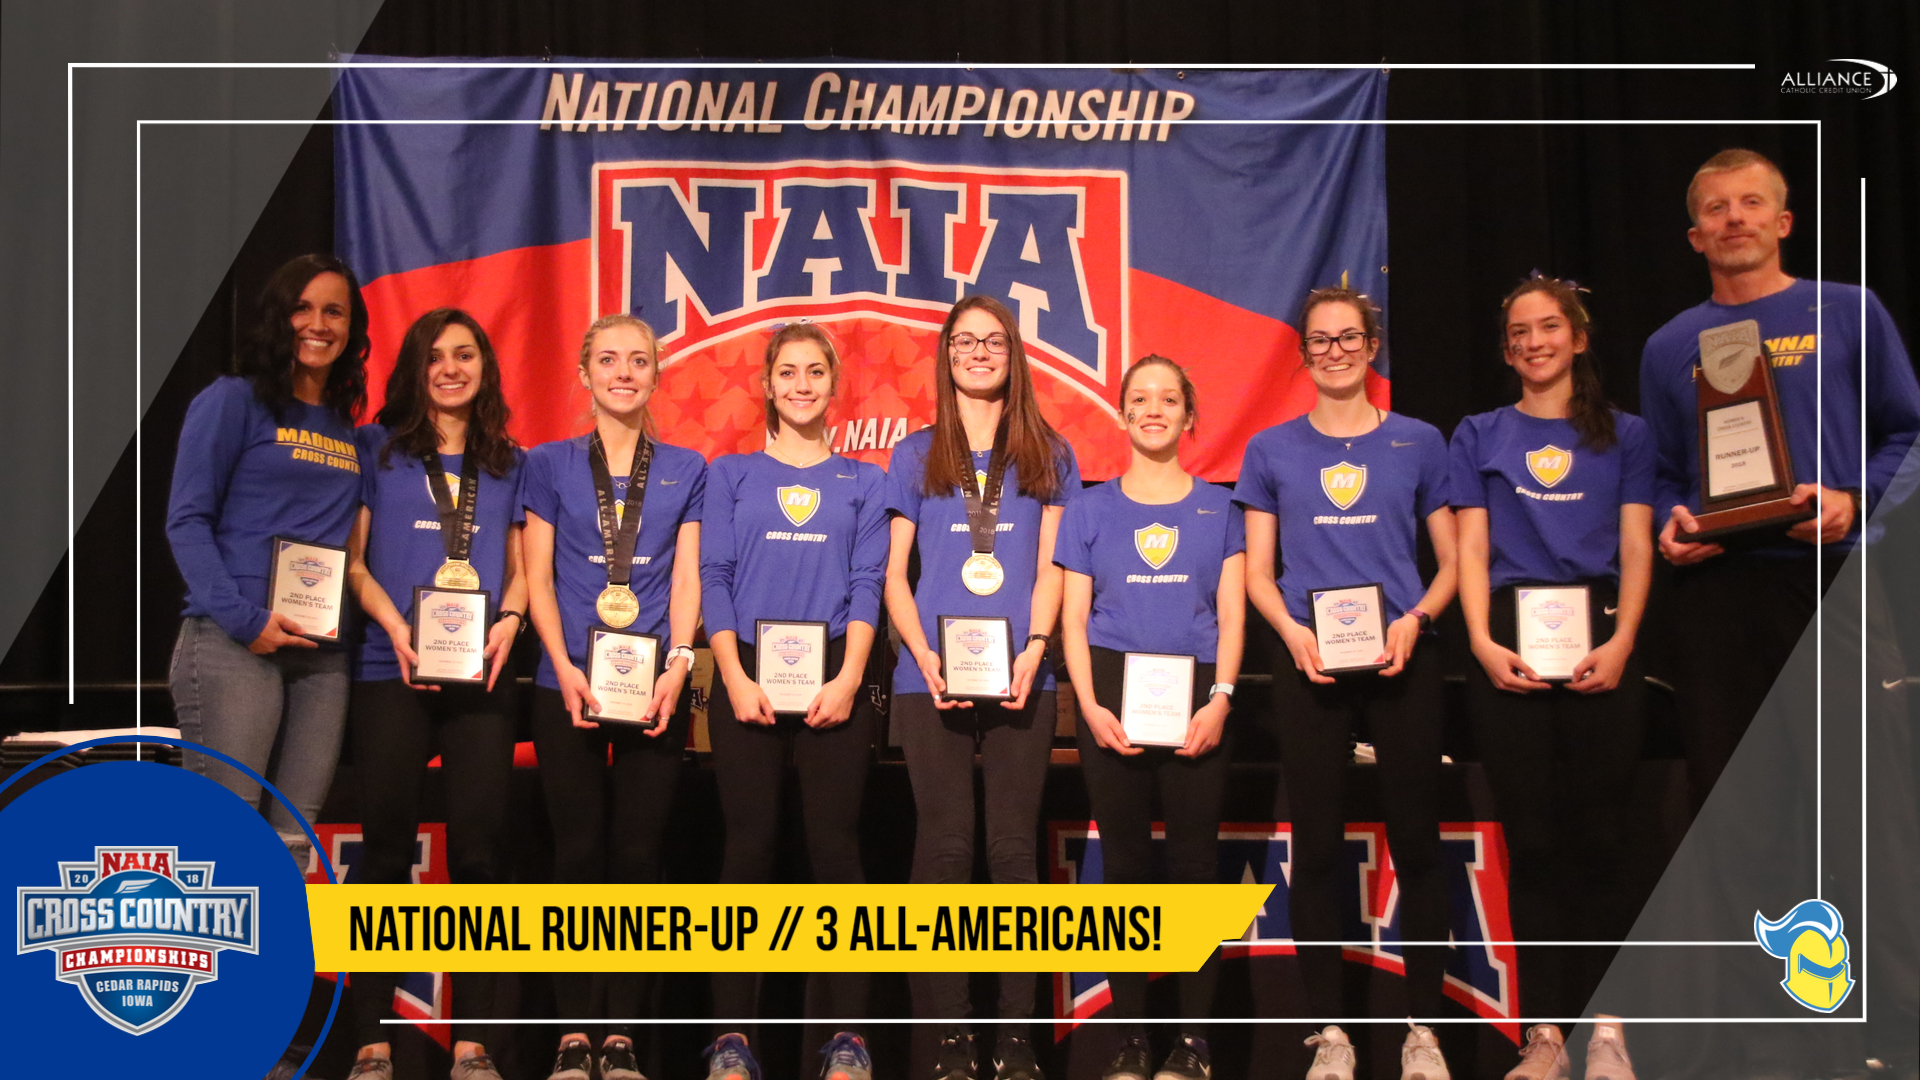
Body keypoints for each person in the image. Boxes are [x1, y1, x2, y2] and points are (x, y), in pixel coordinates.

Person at [1637, 148, 1920, 1079]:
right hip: (1720, 601)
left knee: (1863, 814)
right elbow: (1671, 478)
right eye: (1714, 209)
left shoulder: (1847, 311)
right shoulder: (1670, 344)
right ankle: (1779, 1039)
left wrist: (1855, 501)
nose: (1733, 219)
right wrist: (1678, 525)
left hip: (1830, 582)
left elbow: (1907, 432)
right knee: (1743, 823)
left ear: (1784, 220)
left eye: (1751, 202)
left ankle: (1892, 1034)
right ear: (1693, 235)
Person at [1233, 286, 1457, 1080]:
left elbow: (1453, 563)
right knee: (1319, 849)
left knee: (1418, 846)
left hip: (1402, 658)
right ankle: (1330, 1032)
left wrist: (1417, 620)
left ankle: (1422, 1031)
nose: (1334, 352)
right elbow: (1260, 574)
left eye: (1348, 338)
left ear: (1373, 347)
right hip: (1309, 665)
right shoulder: (1270, 449)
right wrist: (1293, 634)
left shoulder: (1421, 443)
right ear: (1304, 353)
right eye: (1320, 341)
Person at [1452, 276, 1652, 1080]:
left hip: (1603, 639)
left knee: (1603, 838)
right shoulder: (1478, 433)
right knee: (1530, 844)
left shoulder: (1627, 435)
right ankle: (1544, 1037)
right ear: (1508, 349)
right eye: (1520, 332)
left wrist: (1626, 641)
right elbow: (1469, 549)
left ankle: (1608, 1030)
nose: (1535, 342)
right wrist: (1479, 641)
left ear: (1578, 338)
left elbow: (1637, 546)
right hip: (1510, 642)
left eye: (1549, 328)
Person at [883, 295, 1081, 1080]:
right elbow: (897, 577)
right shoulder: (914, 453)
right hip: (925, 676)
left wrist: (1036, 648)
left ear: (1013, 354)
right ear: (946, 355)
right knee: (944, 847)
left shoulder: (1050, 453)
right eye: (964, 341)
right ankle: (948, 1042)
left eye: (992, 341)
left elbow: (1052, 573)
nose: (978, 352)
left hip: (1024, 674)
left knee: (1010, 850)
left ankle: (1014, 1040)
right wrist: (923, 654)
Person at [699, 323, 888, 1080]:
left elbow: (869, 582)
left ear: (832, 383)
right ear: (768, 386)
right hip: (744, 673)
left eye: (815, 372)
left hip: (836, 674)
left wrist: (848, 679)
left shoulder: (865, 482)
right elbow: (713, 575)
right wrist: (733, 677)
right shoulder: (730, 474)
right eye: (788, 372)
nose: (802, 384)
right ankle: (733, 1041)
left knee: (837, 854)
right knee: (746, 854)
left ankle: (849, 1039)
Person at [341, 309, 526, 1080]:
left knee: (479, 857)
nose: (451, 368)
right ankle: (370, 1041)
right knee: (383, 853)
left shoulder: (510, 464)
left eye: (465, 355)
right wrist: (396, 628)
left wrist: (509, 622)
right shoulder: (375, 453)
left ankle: (475, 1043)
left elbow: (521, 568)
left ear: (484, 366)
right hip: (394, 670)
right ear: (415, 369)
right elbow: (352, 564)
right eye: (435, 357)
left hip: (480, 676)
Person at [521, 313, 705, 1080]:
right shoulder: (548, 462)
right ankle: (572, 1034)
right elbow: (533, 577)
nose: (623, 372)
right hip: (562, 684)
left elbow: (690, 578)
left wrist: (680, 666)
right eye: (608, 359)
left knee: (637, 857)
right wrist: (561, 663)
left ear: (657, 373)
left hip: (653, 687)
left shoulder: (689, 465)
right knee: (577, 853)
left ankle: (623, 1033)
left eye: (638, 360)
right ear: (583, 373)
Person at [1055, 356, 1245, 1080]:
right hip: (1112, 696)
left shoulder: (1220, 507)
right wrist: (1091, 708)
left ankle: (1193, 1044)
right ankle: (1133, 1040)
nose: (1155, 409)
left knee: (1196, 870)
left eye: (1169, 398)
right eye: (1141, 398)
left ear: (1189, 415)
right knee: (1127, 870)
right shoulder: (1091, 509)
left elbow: (1231, 614)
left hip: (1198, 695)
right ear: (1123, 413)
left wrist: (1222, 697)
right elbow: (1074, 621)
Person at [166, 253, 369, 867]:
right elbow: (187, 521)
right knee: (225, 841)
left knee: (292, 845)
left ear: (352, 328)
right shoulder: (233, 400)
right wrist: (245, 620)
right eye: (302, 307)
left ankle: (282, 967)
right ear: (277, 317)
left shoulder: (344, 427)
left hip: (321, 657)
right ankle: (214, 966)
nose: (317, 323)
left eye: (334, 311)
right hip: (235, 644)